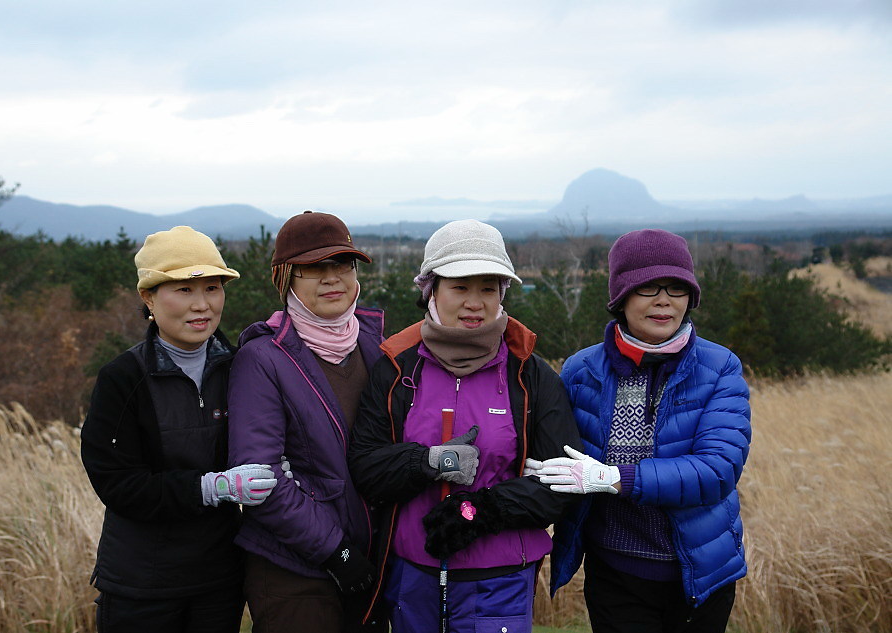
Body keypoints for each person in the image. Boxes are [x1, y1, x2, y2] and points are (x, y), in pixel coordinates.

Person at [348, 219, 582, 633]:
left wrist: (480, 510)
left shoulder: (530, 375)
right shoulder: (396, 369)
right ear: (431, 290)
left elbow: (560, 482)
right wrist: (427, 462)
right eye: (460, 287)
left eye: (488, 289)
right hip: (412, 574)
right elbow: (366, 466)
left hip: (500, 581)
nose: (475, 303)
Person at [530, 228, 751, 633]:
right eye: (648, 287)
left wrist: (614, 478)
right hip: (615, 574)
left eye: (677, 288)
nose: (664, 300)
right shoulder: (581, 370)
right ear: (621, 296)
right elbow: (557, 452)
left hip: (698, 575)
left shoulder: (720, 368)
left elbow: (718, 470)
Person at [81, 225, 277, 633]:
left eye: (212, 288)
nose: (201, 305)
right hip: (142, 583)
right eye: (184, 290)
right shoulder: (124, 378)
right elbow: (117, 483)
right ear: (148, 297)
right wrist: (210, 487)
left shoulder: (241, 368)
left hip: (219, 580)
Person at [227, 210, 385, 633]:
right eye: (314, 268)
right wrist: (336, 552)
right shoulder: (262, 359)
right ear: (286, 279)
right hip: (295, 572)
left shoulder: (377, 347)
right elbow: (261, 478)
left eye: (343, 264)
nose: (332, 278)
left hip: (370, 560)